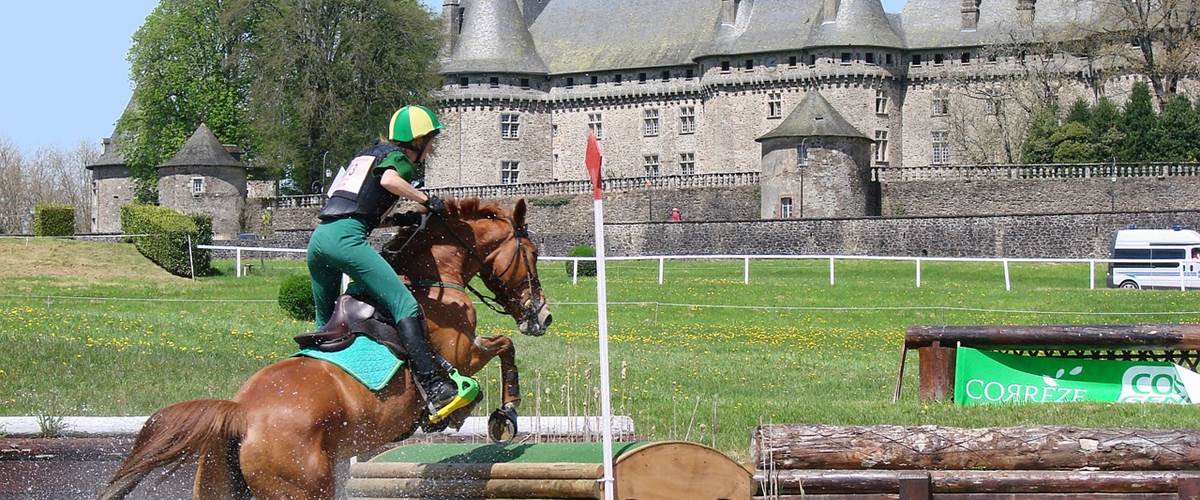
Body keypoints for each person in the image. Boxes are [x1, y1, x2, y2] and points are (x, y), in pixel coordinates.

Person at [307, 105, 476, 424]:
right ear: (418, 141)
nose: (432, 148)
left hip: (319, 242)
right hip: (346, 241)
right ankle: (435, 389)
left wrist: (398, 218)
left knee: (326, 324)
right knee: (405, 306)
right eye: (432, 141)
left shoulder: (366, 155)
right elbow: (388, 180)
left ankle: (322, 388)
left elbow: (356, 206)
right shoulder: (398, 160)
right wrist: (425, 200)